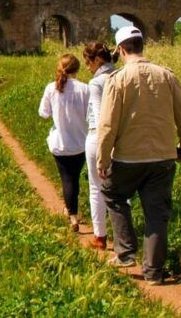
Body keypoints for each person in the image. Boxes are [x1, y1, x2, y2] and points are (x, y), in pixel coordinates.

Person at [97, 26, 181, 285]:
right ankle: (154, 273)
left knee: (112, 193)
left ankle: (126, 252)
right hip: (163, 157)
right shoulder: (166, 75)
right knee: (157, 213)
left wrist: (103, 159)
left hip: (128, 158)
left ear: (120, 49)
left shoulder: (117, 80)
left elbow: (107, 125)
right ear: (141, 46)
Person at [39, 54, 89, 232]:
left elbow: (43, 114)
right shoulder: (85, 89)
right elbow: (90, 115)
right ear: (77, 69)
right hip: (81, 143)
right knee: (74, 178)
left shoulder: (51, 88)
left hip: (60, 143)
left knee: (67, 179)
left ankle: (72, 216)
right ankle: (72, 210)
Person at [82, 42, 118, 250]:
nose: (87, 67)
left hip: (99, 137)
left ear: (97, 60)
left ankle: (100, 237)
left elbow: (99, 114)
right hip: (120, 138)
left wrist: (104, 150)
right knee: (120, 189)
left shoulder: (96, 83)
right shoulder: (120, 76)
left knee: (97, 188)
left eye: (88, 62)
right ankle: (124, 236)